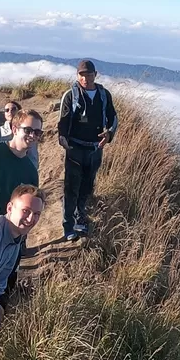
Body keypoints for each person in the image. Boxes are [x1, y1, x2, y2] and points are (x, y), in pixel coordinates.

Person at [57, 60, 117, 242]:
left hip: (95, 149)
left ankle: (80, 219)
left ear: (95, 74)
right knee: (71, 188)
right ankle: (68, 226)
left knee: (87, 187)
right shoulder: (71, 95)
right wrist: (62, 138)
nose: (85, 78)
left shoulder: (104, 95)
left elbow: (113, 118)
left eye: (89, 74)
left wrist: (109, 134)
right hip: (74, 148)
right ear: (77, 76)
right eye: (82, 74)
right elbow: (63, 119)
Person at [0, 185, 45, 309]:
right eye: (26, 211)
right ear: (10, 208)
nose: (31, 219)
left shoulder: (16, 245)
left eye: (37, 214)